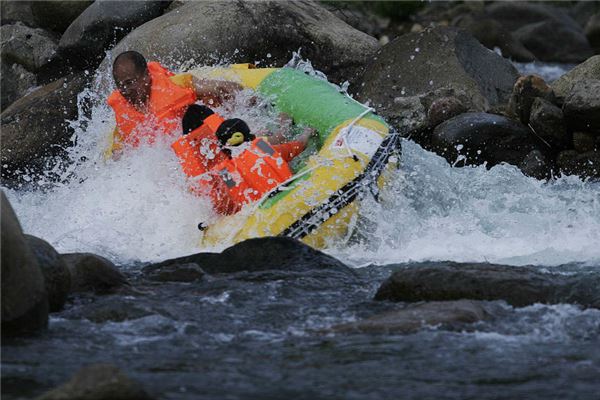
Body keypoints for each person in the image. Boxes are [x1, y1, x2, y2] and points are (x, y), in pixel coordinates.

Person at [107, 50, 241, 153]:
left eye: (130, 82)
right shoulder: (124, 114)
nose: (125, 90)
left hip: (200, 138)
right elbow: (118, 154)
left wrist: (238, 109)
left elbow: (226, 88)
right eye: (120, 85)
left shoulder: (175, 85)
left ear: (146, 76)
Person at [206, 118, 313, 215]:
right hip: (294, 197)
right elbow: (297, 146)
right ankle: (287, 124)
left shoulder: (225, 173)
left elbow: (233, 201)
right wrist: (308, 132)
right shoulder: (262, 147)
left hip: (265, 215)